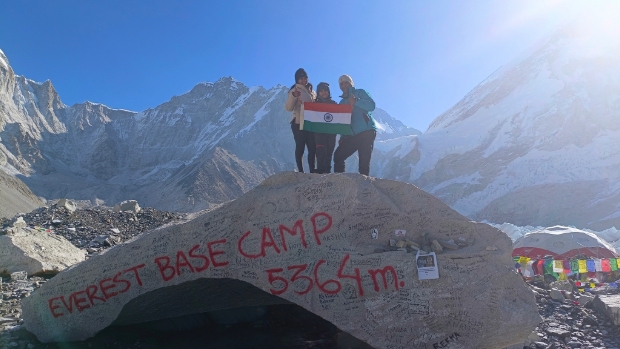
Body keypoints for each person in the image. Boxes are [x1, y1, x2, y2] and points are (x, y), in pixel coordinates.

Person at [333, 74, 377, 176]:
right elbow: (343, 121)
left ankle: (365, 188)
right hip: (351, 135)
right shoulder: (342, 102)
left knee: (364, 163)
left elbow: (372, 106)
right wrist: (343, 136)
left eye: (346, 83)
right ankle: (340, 182)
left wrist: (356, 101)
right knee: (338, 156)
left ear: (351, 83)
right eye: (341, 84)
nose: (344, 85)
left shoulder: (360, 92)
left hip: (366, 131)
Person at [285, 68, 317, 173]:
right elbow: (288, 108)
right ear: (297, 80)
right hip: (298, 122)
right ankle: (301, 171)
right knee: (300, 146)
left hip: (310, 123)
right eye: (301, 78)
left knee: (312, 148)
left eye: (305, 78)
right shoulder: (294, 90)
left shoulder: (313, 92)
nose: (303, 80)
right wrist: (294, 97)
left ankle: (312, 170)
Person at [314, 82, 337, 174]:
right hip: (319, 133)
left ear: (329, 92)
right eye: (321, 91)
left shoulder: (334, 104)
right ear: (318, 92)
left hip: (331, 133)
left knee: (329, 152)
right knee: (320, 152)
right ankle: (320, 172)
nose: (324, 93)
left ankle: (327, 172)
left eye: (325, 91)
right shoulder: (314, 104)